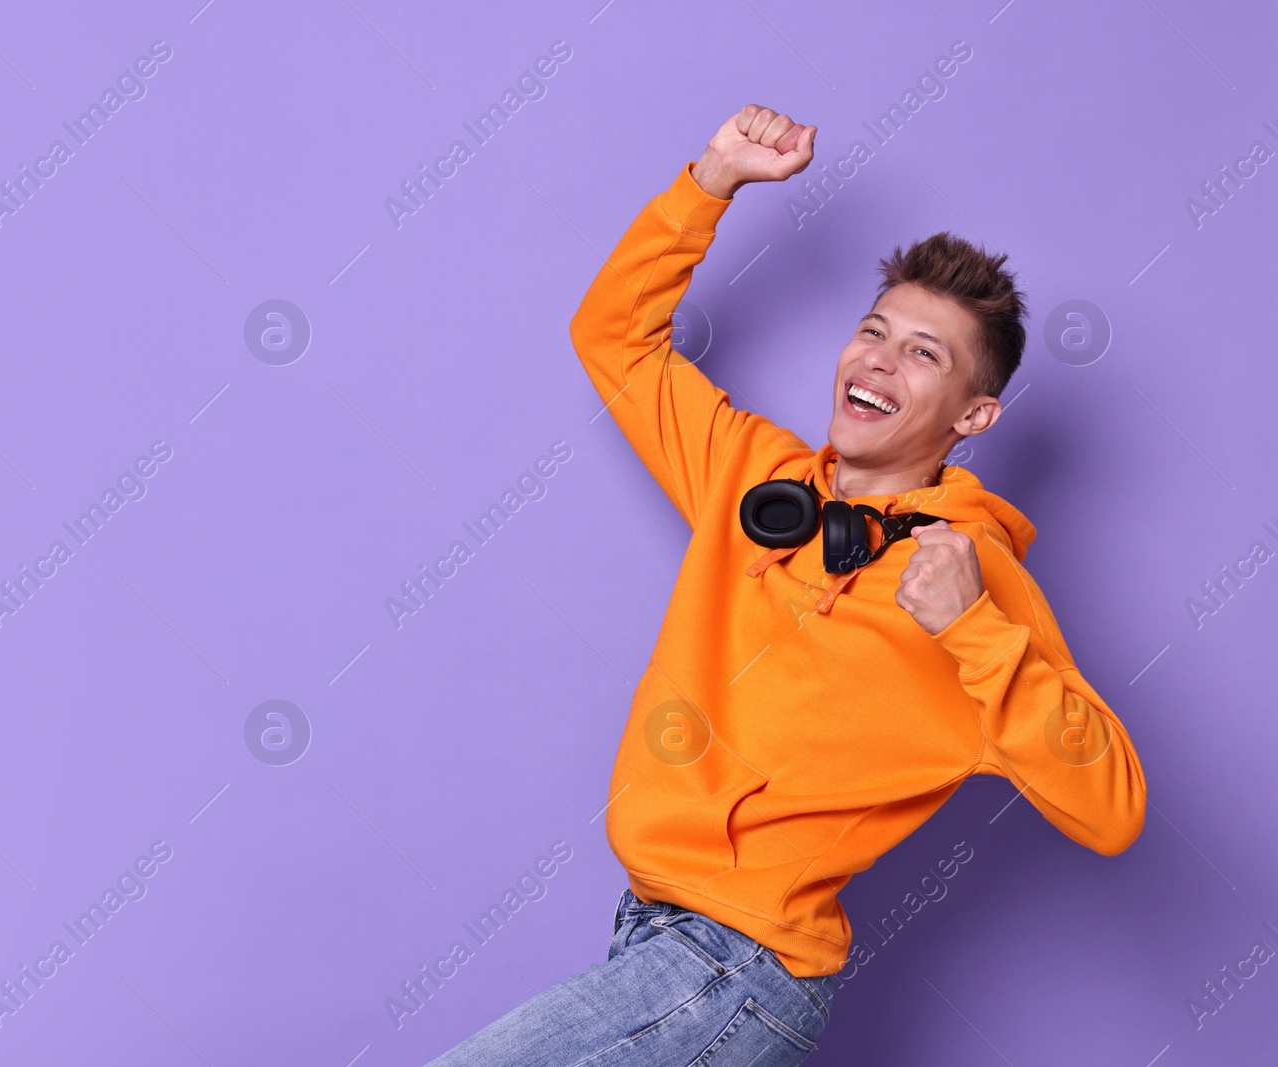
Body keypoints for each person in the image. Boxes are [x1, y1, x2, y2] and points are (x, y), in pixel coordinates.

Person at [423, 103, 1147, 1066]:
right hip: (652, 929)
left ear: (974, 415)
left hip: (734, 968)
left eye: (922, 354)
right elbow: (615, 341)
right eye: (875, 331)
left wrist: (974, 630)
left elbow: (1113, 808)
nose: (878, 360)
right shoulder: (752, 478)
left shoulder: (971, 578)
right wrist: (710, 182)